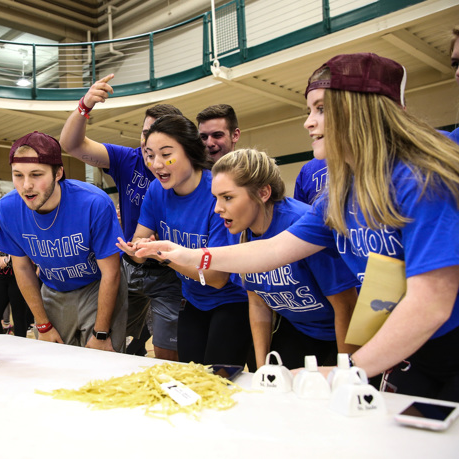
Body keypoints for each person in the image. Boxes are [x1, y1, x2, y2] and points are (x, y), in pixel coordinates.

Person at [135, 53, 459, 401]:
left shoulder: (421, 180)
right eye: (309, 111)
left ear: (360, 110)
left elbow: (432, 303)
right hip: (411, 347)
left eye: (320, 109)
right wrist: (187, 254)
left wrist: (346, 370)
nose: (308, 123)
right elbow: (273, 249)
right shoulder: (339, 194)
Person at [59, 73, 184, 357]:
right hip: (130, 263)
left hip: (171, 270)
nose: (147, 141)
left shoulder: (182, 169)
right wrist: (84, 106)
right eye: (144, 132)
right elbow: (72, 145)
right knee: (108, 343)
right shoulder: (129, 159)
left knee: (168, 354)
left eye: (156, 134)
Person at [116, 115, 250, 366]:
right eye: (150, 154)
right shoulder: (157, 190)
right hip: (191, 298)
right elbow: (139, 246)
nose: (156, 164)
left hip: (230, 300)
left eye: (166, 154)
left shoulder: (216, 193)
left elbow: (217, 277)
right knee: (188, 375)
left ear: (190, 151)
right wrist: (138, 250)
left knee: (219, 380)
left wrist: (162, 255)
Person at [211, 149, 359, 369]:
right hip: (301, 328)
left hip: (344, 329)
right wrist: (261, 369)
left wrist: (347, 373)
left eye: (228, 197)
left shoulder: (301, 224)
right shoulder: (238, 229)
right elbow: (258, 302)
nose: (217, 208)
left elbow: (346, 305)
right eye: (216, 198)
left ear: (263, 193)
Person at [0, 131, 128, 351]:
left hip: (96, 285)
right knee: (53, 363)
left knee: (102, 364)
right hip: (53, 287)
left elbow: (111, 273)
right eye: (18, 175)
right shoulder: (7, 209)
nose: (26, 185)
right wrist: (42, 324)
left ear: (58, 173)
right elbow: (22, 268)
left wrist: (101, 333)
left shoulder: (94, 203)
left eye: (36, 174)